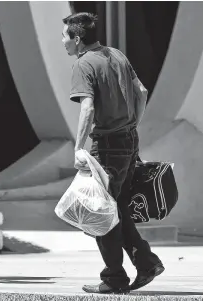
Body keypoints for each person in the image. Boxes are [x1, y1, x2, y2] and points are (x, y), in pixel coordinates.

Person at [61, 13, 164, 294]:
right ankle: (145, 262)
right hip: (129, 141)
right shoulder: (116, 55)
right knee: (115, 207)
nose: (63, 42)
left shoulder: (83, 64)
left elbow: (88, 108)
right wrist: (131, 125)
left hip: (105, 146)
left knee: (98, 210)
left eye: (64, 37)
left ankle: (115, 278)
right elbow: (141, 92)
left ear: (77, 38)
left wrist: (79, 147)